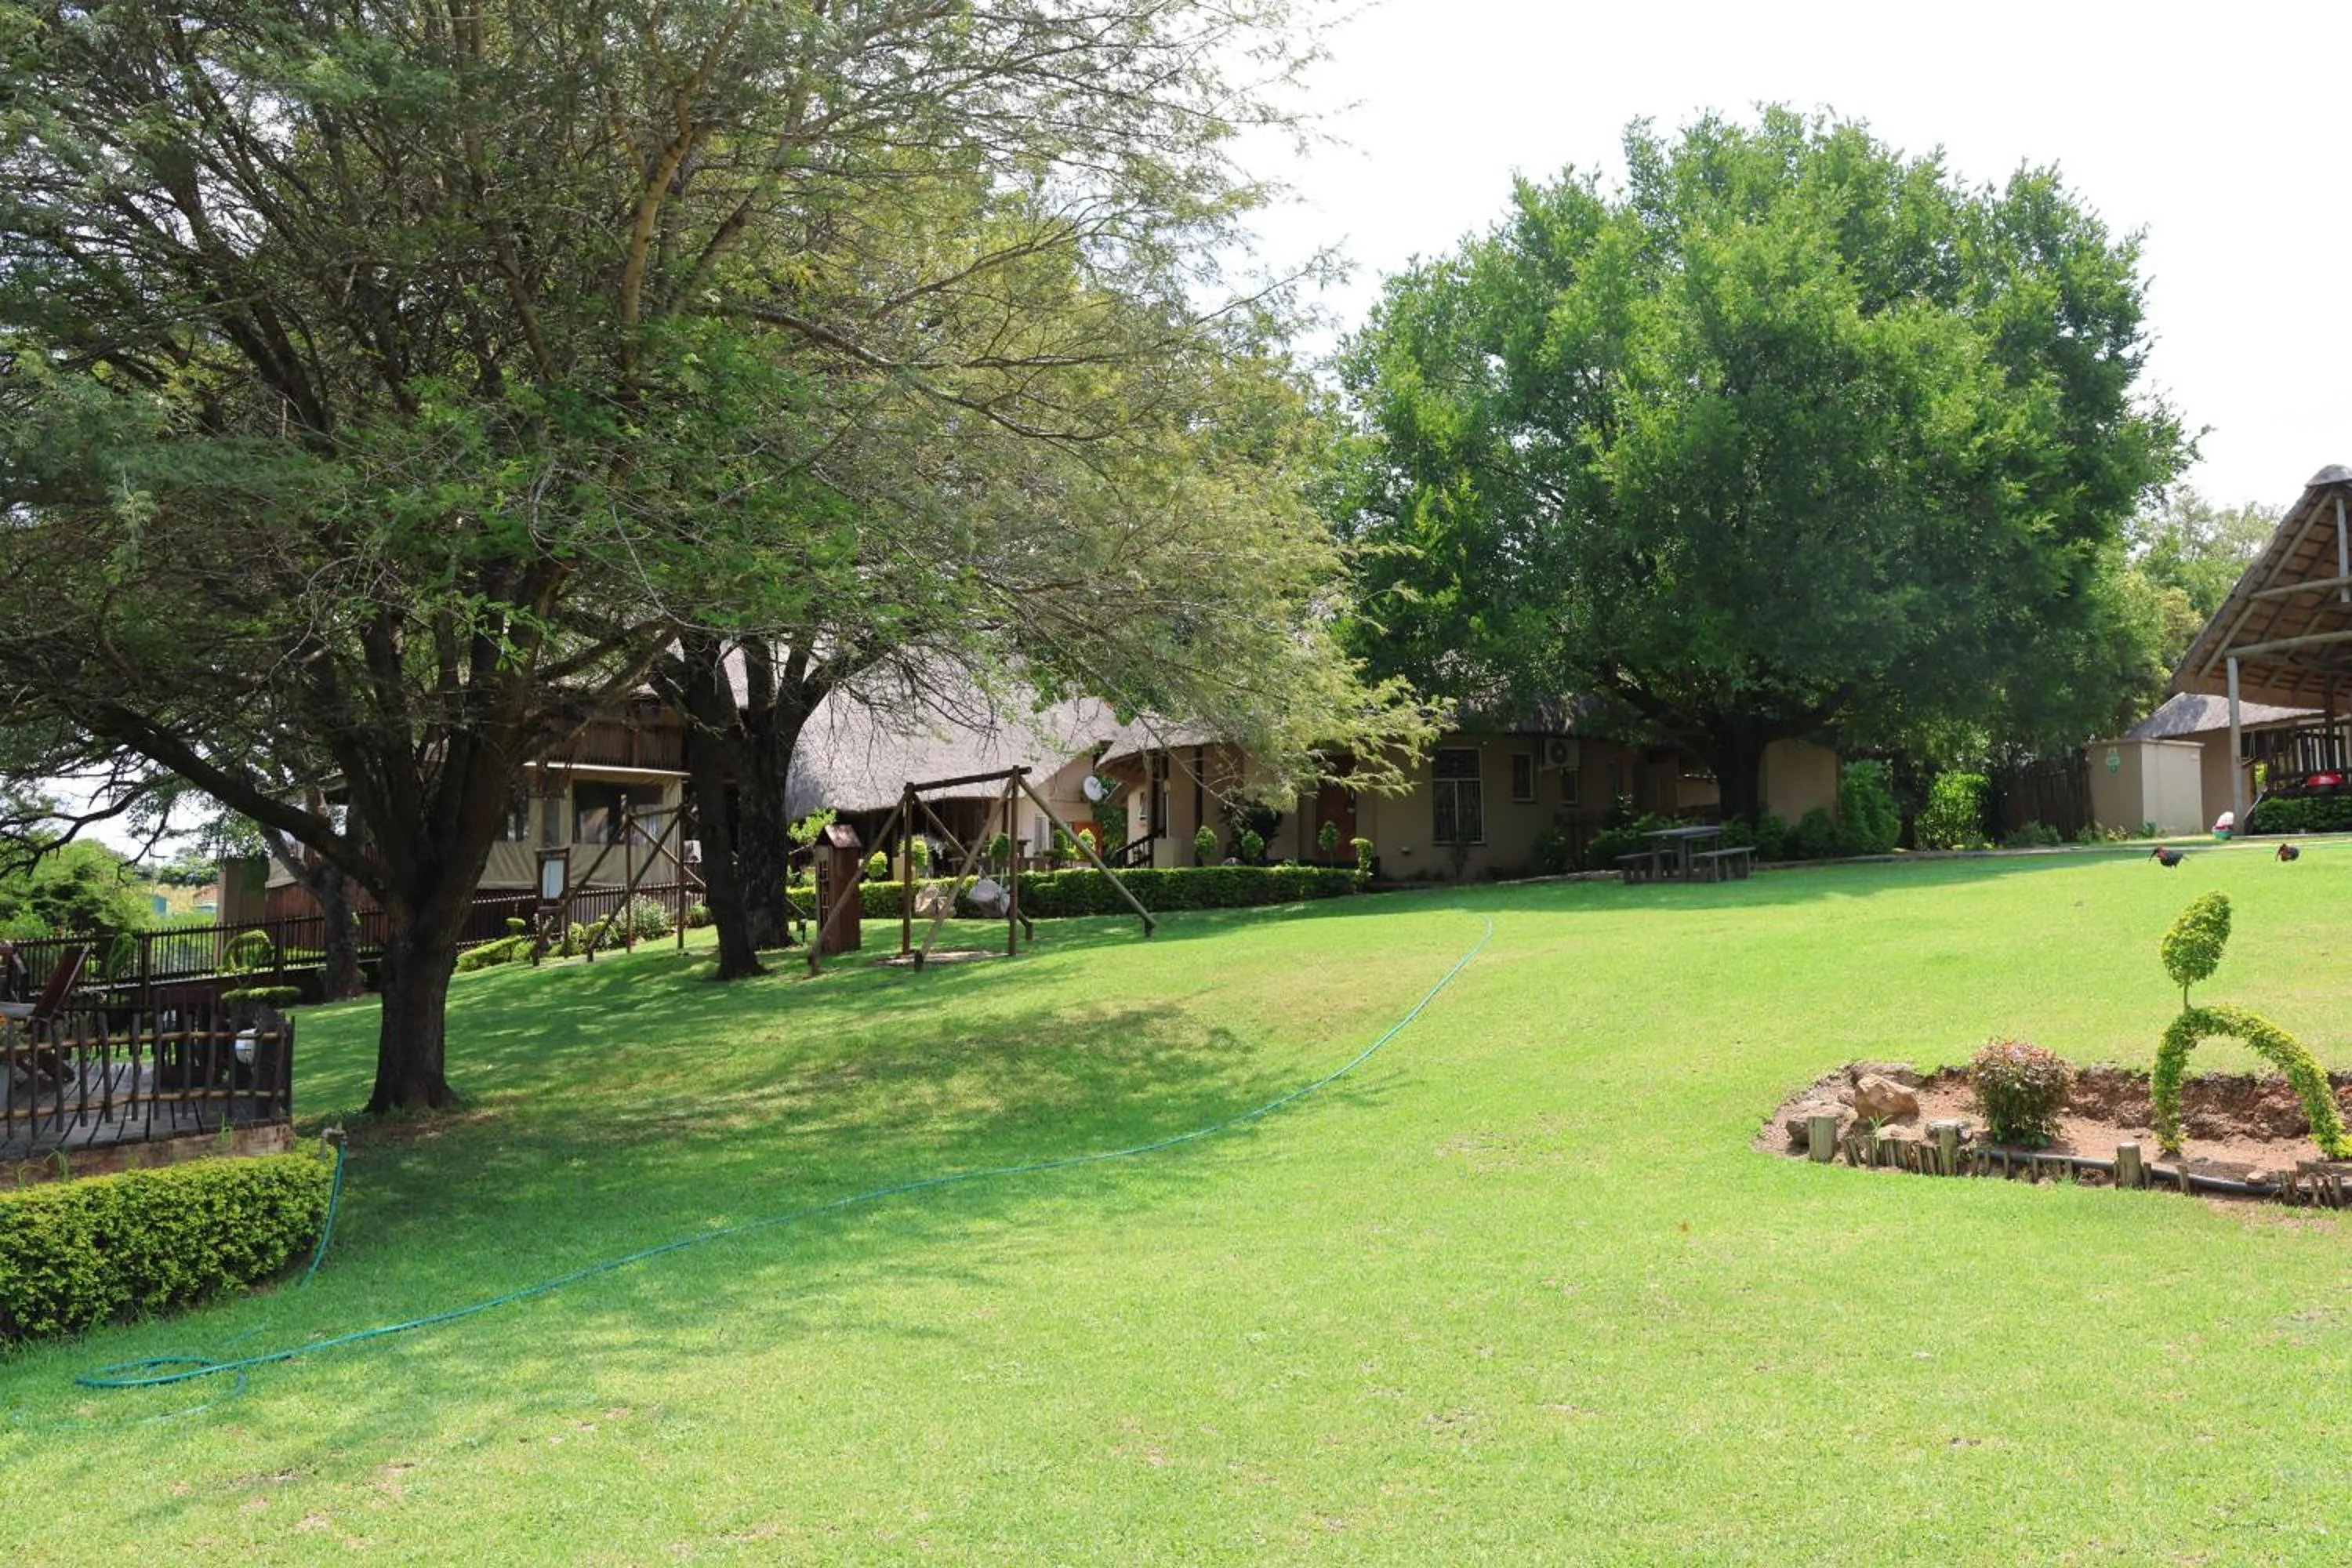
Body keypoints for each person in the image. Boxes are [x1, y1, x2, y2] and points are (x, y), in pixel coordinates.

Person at [0, 939, 28, 1006]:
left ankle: (21, 999)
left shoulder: (15, 954)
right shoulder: (11, 954)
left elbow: (23, 969)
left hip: (18, 975)